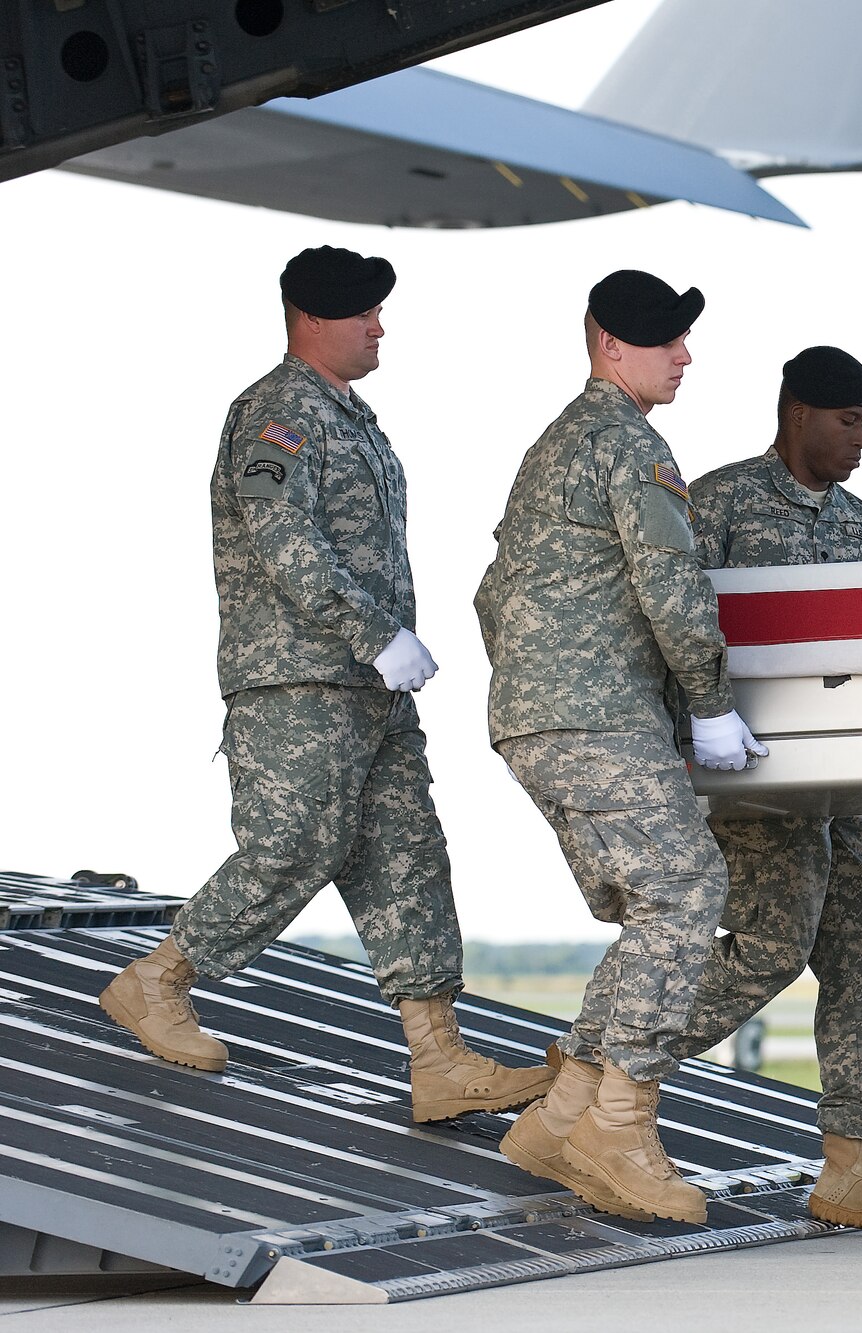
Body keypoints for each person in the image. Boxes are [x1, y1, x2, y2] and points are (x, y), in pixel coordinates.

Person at [99, 246, 553, 1123]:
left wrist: (381, 650)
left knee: (407, 855)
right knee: (295, 844)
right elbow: (285, 539)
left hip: (370, 687)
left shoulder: (354, 419)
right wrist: (376, 633)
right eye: (362, 312)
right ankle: (158, 979)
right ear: (311, 318)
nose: (379, 326)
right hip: (298, 679)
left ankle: (439, 1057)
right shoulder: (278, 413)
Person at [477, 270, 766, 1224]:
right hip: (596, 714)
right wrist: (711, 704)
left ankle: (564, 1112)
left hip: (544, 712)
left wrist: (536, 682)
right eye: (665, 340)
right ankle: (618, 1124)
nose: (685, 356)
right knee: (685, 893)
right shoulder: (629, 445)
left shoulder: (554, 445)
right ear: (609, 344)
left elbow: (491, 592)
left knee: (655, 904)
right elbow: (672, 588)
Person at [669, 346, 862, 1235]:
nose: (861, 440)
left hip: (850, 784)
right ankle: (603, 1065)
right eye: (848, 422)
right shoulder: (718, 505)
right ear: (799, 413)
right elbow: (672, 623)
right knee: (771, 946)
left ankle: (854, 1165)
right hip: (756, 780)